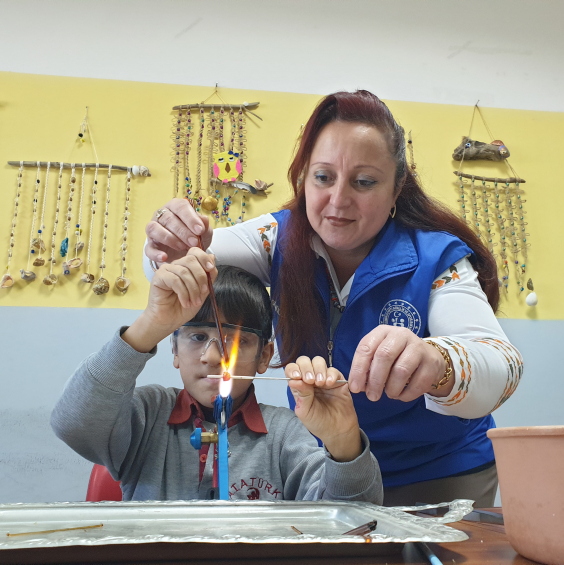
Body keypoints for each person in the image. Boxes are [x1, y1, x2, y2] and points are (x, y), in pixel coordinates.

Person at [142, 90, 523, 507]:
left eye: (364, 182)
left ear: (396, 188)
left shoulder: (436, 260)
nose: (339, 201)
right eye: (324, 177)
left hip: (440, 474)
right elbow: (174, 268)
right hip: (331, 471)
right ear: (304, 178)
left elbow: (502, 367)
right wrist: (169, 244)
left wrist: (438, 362)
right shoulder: (278, 239)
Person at [52, 249, 383, 503]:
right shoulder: (148, 414)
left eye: (234, 342)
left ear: (264, 357)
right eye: (197, 337)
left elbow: (350, 521)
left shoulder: (284, 435)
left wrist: (343, 444)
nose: (212, 357)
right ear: (174, 350)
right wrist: (147, 326)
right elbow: (71, 422)